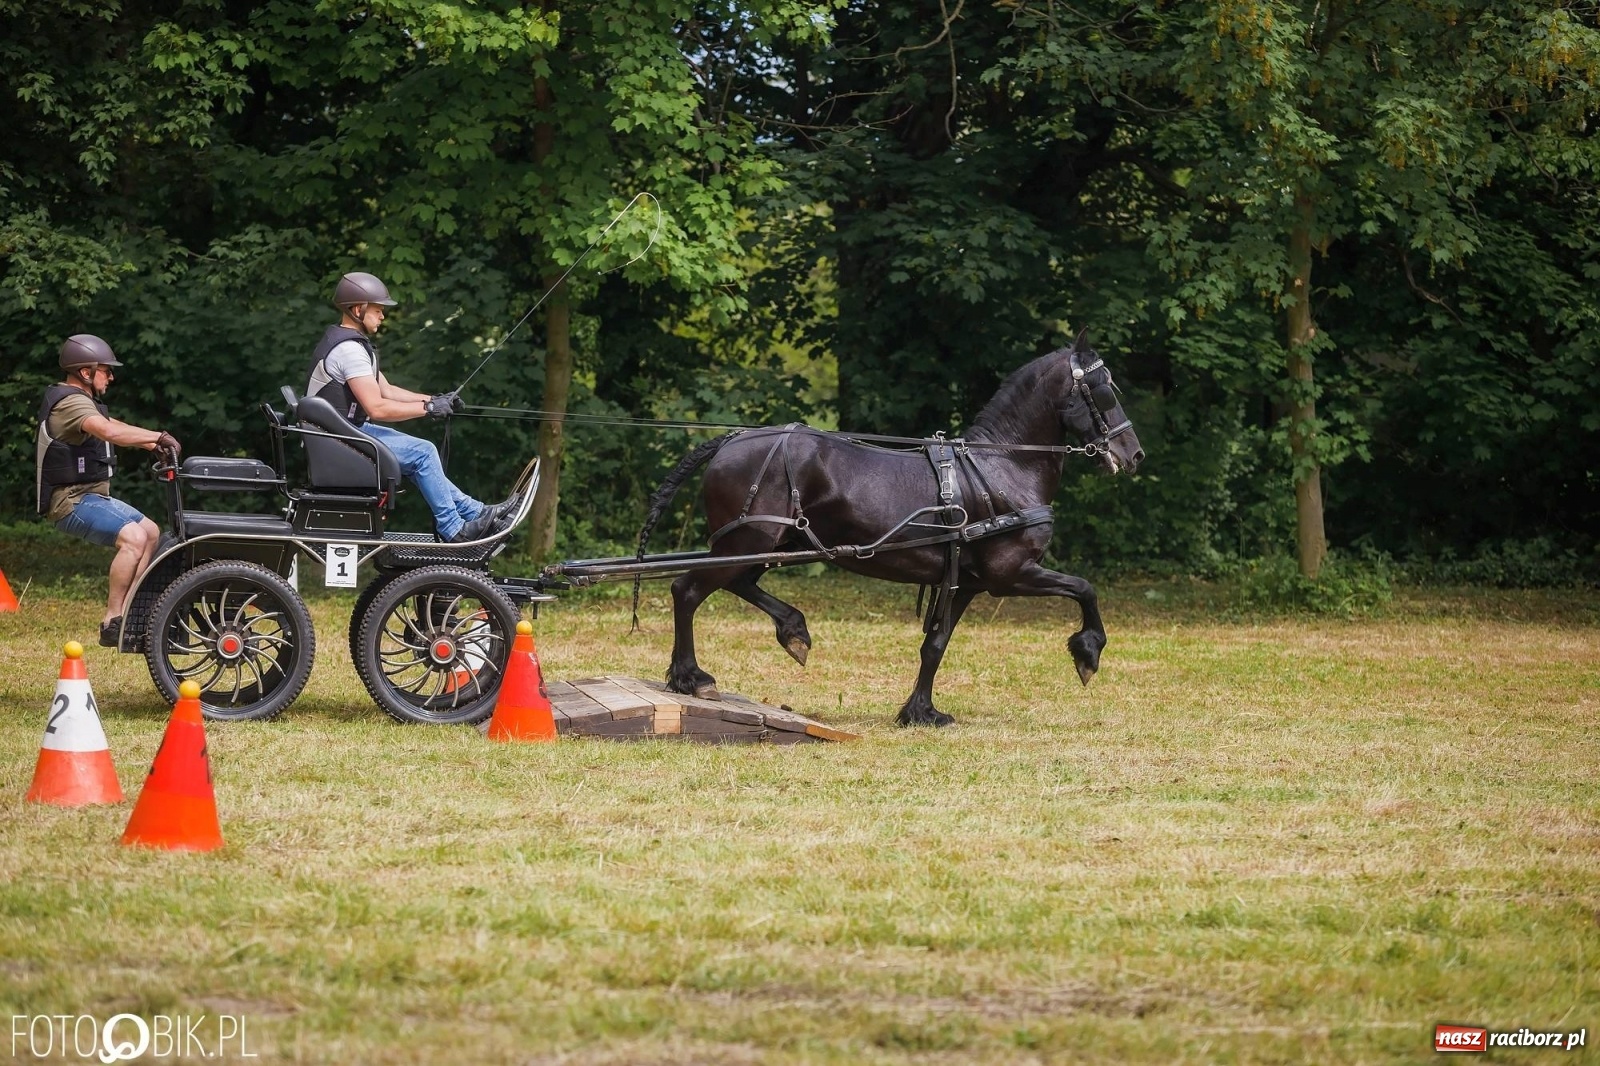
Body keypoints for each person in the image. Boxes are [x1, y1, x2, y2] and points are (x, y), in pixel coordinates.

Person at [306, 271, 514, 543]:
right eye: (378, 310)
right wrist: (428, 409)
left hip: (343, 434)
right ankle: (453, 529)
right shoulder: (350, 351)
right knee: (424, 453)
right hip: (339, 442)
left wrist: (435, 400)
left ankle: (475, 512)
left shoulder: (352, 345)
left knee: (421, 455)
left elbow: (387, 390)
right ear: (358, 309)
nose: (382, 316)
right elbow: (378, 407)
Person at [36, 335, 180, 647]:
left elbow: (109, 422)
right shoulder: (71, 402)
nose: (111, 377)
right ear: (85, 373)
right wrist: (161, 435)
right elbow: (108, 430)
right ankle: (113, 619)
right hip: (71, 501)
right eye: (105, 370)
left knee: (151, 532)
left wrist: (150, 443)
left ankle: (132, 611)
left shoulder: (82, 402)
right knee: (134, 537)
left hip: (90, 497)